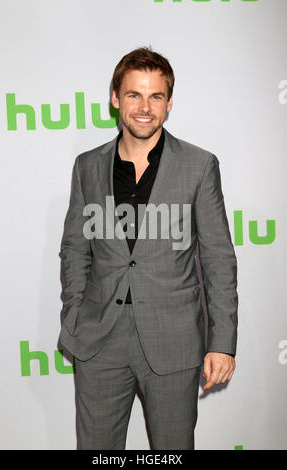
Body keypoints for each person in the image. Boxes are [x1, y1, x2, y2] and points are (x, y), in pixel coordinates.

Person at [58, 47, 238, 450]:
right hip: (98, 340)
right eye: (135, 95)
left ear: (169, 103)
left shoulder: (199, 165)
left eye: (156, 96)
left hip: (174, 341)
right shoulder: (87, 166)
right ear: (115, 98)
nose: (145, 107)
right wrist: (75, 311)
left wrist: (221, 343)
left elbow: (218, 259)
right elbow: (74, 248)